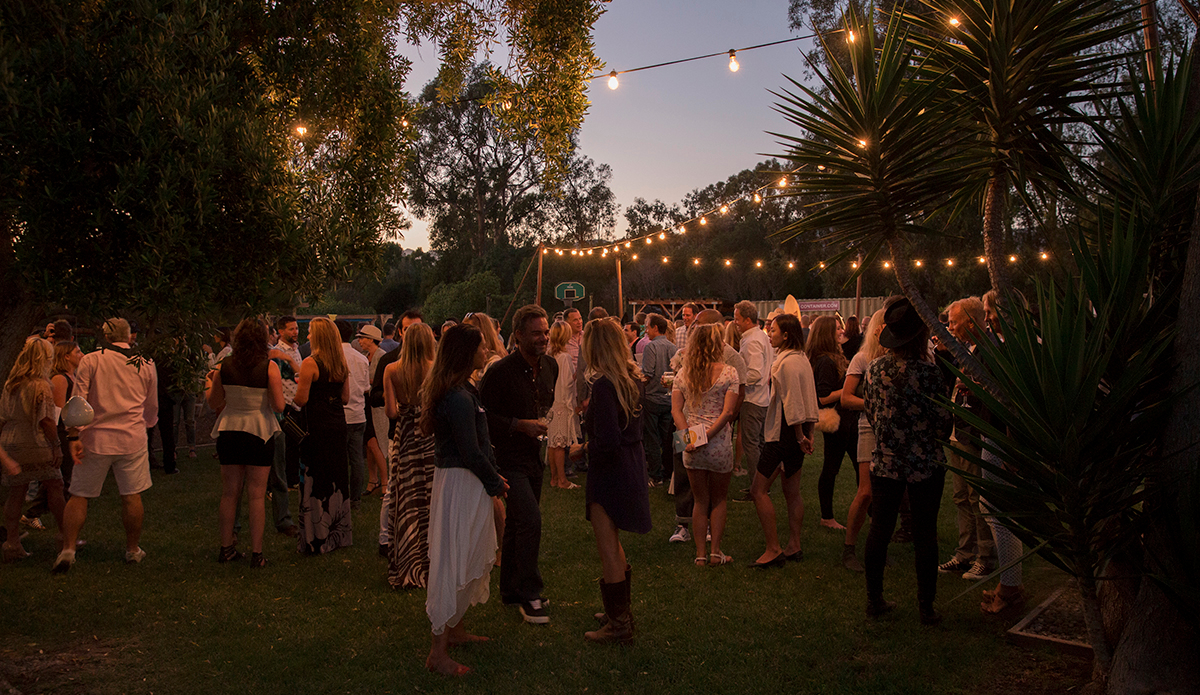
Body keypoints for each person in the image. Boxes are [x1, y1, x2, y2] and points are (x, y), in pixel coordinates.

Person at [420, 324, 508, 677]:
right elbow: (469, 450)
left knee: (469, 550)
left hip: (466, 479)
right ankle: (437, 652)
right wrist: (493, 481)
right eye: (482, 347)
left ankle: (454, 628)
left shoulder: (462, 390)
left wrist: (490, 474)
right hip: (461, 482)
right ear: (466, 352)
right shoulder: (456, 397)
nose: (486, 351)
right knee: (452, 558)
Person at [863, 297, 953, 624]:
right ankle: (926, 606)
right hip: (925, 462)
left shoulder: (875, 370)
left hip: (886, 461)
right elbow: (944, 421)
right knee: (925, 533)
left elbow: (871, 413)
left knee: (880, 530)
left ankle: (874, 600)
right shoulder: (930, 375)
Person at [55, 319, 158, 572]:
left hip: (95, 438)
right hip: (131, 437)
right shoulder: (144, 362)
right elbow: (151, 403)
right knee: (131, 495)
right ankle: (132, 549)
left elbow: (78, 400)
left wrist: (73, 436)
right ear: (129, 335)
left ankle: (68, 548)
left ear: (105, 335)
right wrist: (146, 422)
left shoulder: (91, 360)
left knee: (79, 494)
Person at [478, 305, 556, 625]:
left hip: (535, 454)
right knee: (530, 520)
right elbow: (482, 417)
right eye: (537, 333)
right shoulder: (500, 371)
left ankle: (509, 590)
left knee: (515, 525)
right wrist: (518, 425)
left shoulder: (550, 366)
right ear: (519, 335)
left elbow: (548, 402)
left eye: (546, 331)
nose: (544, 337)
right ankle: (529, 593)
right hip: (507, 457)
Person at [580, 318, 651, 643]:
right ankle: (617, 610)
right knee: (615, 543)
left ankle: (619, 624)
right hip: (631, 462)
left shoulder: (606, 385)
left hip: (610, 469)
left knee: (607, 545)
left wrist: (580, 449)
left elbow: (607, 439)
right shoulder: (633, 379)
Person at [207, 319, 285, 568]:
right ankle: (257, 553)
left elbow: (214, 401)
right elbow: (279, 406)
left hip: (230, 429)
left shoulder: (225, 365)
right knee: (256, 495)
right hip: (259, 430)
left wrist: (210, 385)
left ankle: (226, 547)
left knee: (229, 493)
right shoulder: (269, 367)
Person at [749, 313, 818, 568]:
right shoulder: (801, 360)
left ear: (786, 334)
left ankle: (773, 548)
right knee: (792, 491)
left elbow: (794, 402)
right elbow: (809, 399)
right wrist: (809, 433)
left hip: (783, 433)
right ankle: (794, 544)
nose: (769, 333)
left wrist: (801, 435)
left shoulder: (785, 364)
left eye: (774, 330)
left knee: (758, 490)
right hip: (796, 433)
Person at [936, 297, 997, 581]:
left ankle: (985, 556)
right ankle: (964, 553)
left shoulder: (986, 353)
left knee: (976, 497)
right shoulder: (966, 351)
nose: (950, 327)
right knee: (961, 496)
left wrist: (975, 389)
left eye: (954, 322)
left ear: (970, 323)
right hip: (959, 430)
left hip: (973, 432)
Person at [671, 323, 739, 567]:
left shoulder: (682, 374)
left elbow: (676, 410)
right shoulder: (729, 373)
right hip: (719, 443)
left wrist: (689, 437)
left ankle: (699, 554)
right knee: (719, 499)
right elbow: (728, 412)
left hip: (692, 446)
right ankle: (716, 551)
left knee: (700, 500)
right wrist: (708, 436)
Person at [978, 289, 1025, 613]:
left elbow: (1014, 398)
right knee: (994, 507)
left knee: (998, 509)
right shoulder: (1015, 345)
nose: (987, 318)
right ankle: (1008, 580)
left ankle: (1010, 587)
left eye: (989, 311)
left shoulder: (1017, 348)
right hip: (996, 433)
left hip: (1003, 436)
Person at [1, 338, 65, 562]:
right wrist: (56, 445)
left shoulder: (12, 383)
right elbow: (46, 421)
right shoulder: (41, 386)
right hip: (34, 441)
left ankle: (12, 542)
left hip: (12, 439)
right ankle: (65, 537)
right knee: (55, 485)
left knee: (17, 490)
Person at [383, 322, 436, 588]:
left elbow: (391, 412)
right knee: (430, 495)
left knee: (406, 494)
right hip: (430, 434)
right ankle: (432, 561)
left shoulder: (392, 370)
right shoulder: (435, 370)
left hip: (405, 435)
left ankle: (407, 559)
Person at [293, 317, 352, 555]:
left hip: (316, 426)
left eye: (309, 332)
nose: (307, 336)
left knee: (315, 477)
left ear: (317, 337)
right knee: (337, 475)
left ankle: (316, 534)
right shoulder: (341, 363)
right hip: (338, 424)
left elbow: (301, 399)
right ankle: (339, 531)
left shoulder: (311, 363)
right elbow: (346, 398)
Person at [839, 307, 888, 572]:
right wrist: (876, 406)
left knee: (886, 494)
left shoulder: (902, 358)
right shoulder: (862, 358)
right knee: (866, 491)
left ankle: (878, 546)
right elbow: (846, 398)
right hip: (870, 427)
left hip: (893, 430)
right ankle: (849, 547)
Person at [807, 316, 858, 531]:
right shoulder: (826, 361)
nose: (842, 331)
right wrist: (847, 391)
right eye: (838, 328)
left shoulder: (831, 357)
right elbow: (822, 397)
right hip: (837, 422)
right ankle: (827, 516)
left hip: (847, 420)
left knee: (860, 466)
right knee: (831, 468)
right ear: (828, 333)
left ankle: (872, 511)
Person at [734, 301, 772, 483]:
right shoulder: (760, 336)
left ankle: (757, 487)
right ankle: (763, 484)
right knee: (759, 443)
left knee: (751, 445)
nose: (735, 323)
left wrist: (737, 383)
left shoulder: (752, 341)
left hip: (752, 399)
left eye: (737, 319)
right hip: (762, 398)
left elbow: (755, 373)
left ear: (748, 320)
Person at [640, 314, 677, 494]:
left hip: (653, 398)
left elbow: (648, 372)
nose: (646, 331)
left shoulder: (651, 347)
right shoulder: (673, 347)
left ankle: (655, 475)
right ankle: (669, 472)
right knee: (667, 438)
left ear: (656, 328)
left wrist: (637, 384)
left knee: (652, 439)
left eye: (647, 327)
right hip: (669, 400)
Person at [337, 320, 370, 506]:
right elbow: (366, 387)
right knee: (357, 459)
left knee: (340, 458)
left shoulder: (334, 357)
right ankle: (355, 497)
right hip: (359, 413)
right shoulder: (362, 358)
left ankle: (341, 495)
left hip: (341, 414)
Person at [546, 320, 580, 490]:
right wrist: (577, 375)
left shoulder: (549, 355)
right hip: (562, 403)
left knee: (552, 443)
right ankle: (562, 479)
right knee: (560, 444)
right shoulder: (565, 357)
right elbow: (567, 382)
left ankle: (553, 477)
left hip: (552, 403)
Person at [357, 324, 388, 497]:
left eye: (362, 337)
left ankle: (385, 481)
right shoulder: (364, 356)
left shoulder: (381, 357)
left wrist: (366, 381)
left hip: (376, 405)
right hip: (366, 403)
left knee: (375, 443)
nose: (359, 341)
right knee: (369, 443)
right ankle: (373, 479)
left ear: (370, 339)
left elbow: (380, 381)